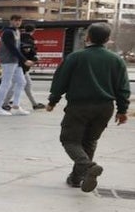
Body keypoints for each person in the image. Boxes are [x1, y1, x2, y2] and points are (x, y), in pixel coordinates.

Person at [45, 22, 129, 192]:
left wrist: (53, 100)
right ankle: (77, 178)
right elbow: (123, 87)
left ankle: (87, 167)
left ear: (88, 37)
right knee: (90, 141)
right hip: (105, 107)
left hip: (79, 106)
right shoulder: (116, 60)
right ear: (108, 39)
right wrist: (122, 110)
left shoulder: (76, 57)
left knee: (70, 140)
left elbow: (61, 80)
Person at [0, 14, 32, 116]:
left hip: (15, 61)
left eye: (19, 20)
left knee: (21, 81)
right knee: (6, 83)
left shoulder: (17, 32)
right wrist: (24, 60)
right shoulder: (7, 32)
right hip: (8, 60)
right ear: (11, 21)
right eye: (16, 20)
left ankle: (16, 105)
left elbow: (17, 47)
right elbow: (12, 48)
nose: (18, 22)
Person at [19, 23, 46, 110]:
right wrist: (35, 58)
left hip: (22, 65)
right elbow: (28, 51)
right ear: (34, 31)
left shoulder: (20, 37)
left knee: (27, 85)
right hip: (22, 65)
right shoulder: (28, 39)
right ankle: (5, 103)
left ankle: (34, 104)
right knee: (15, 85)